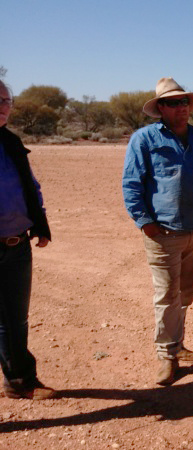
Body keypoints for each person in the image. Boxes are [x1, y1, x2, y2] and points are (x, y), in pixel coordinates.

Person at [122, 77, 193, 385]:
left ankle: (177, 344)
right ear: (160, 108)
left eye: (184, 103)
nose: (181, 108)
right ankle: (167, 356)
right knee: (167, 294)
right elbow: (131, 184)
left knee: (185, 294)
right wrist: (145, 222)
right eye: (173, 103)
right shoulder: (144, 140)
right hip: (163, 233)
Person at [0, 80, 56, 400]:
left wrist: (40, 224)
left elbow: (30, 187)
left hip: (16, 244)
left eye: (8, 100)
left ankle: (18, 381)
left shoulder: (11, 142)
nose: (4, 105)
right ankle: (18, 379)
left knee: (15, 319)